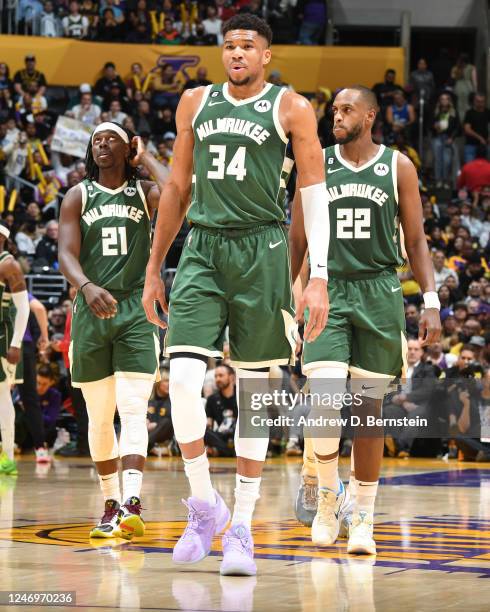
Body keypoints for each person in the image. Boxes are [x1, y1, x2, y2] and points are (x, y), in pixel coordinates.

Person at [142, 14, 328, 575]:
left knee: (254, 391)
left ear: (267, 55)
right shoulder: (195, 102)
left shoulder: (292, 107)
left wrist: (317, 274)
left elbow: (314, 194)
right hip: (202, 247)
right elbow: (176, 186)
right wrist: (154, 267)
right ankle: (205, 505)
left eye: (248, 45)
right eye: (229, 46)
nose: (237, 53)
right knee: (178, 380)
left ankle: (242, 525)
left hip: (264, 251)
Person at [289, 86, 441, 554]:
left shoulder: (398, 166)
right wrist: (287, 299)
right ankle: (329, 501)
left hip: (379, 290)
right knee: (328, 397)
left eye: (346, 109)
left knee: (367, 412)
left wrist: (431, 299)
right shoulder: (315, 161)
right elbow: (296, 238)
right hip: (326, 288)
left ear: (371, 115)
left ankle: (364, 517)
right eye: (333, 109)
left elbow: (415, 241)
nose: (336, 115)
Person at [58, 121, 167, 539]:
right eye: (96, 140)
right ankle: (109, 503)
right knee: (101, 418)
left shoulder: (146, 192)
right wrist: (85, 286)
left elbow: (182, 192)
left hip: (136, 308)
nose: (102, 145)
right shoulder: (78, 195)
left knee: (134, 407)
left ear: (127, 149)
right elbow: (66, 253)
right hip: (90, 310)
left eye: (112, 140)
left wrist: (147, 158)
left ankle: (132, 502)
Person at [0, 223, 30, 476]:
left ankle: (8, 457)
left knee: (2, 396)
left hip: (3, 337)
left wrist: (15, 343)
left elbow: (24, 308)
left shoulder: (9, 264)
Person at [205, 364, 238, 457]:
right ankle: (231, 452)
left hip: (239, 436)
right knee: (204, 433)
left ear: (231, 377)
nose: (217, 379)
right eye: (216, 376)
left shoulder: (241, 396)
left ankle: (222, 451)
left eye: (221, 375)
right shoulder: (212, 399)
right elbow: (209, 424)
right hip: (221, 437)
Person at [463, 93, 490, 163]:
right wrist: (479, 138)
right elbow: (467, 129)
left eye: (482, 101)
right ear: (474, 101)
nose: (480, 104)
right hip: (471, 144)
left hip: (486, 144)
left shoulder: (487, 112)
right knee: (469, 165)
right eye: (478, 101)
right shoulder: (469, 113)